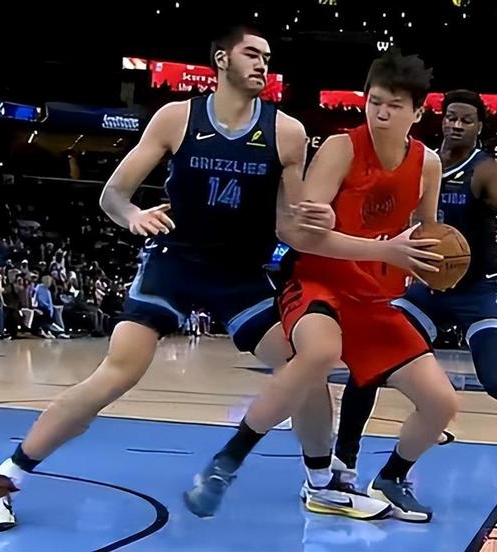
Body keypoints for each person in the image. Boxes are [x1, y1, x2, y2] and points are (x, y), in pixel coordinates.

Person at [0, 24, 349, 531]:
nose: (263, 64)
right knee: (118, 372)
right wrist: (133, 216)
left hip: (239, 273)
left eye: (267, 57)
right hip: (174, 262)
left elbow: (288, 226)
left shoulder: (288, 132)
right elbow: (113, 195)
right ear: (221, 59)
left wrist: (322, 221)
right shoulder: (177, 117)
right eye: (251, 54)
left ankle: (321, 483)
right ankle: (4, 478)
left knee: (306, 366)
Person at [185, 49, 458, 523]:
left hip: (374, 298)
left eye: (394, 105)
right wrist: (383, 250)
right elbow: (300, 233)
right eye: (374, 101)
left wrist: (434, 261)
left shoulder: (427, 164)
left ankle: (391, 479)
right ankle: (227, 461)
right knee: (318, 352)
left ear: (418, 112)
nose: (381, 113)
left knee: (441, 403)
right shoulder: (341, 148)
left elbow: (425, 233)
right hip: (318, 282)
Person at [331, 90, 497, 516]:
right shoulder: (423, 163)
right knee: (367, 364)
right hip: (428, 290)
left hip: (477, 292)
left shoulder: (485, 170)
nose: (456, 125)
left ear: (479, 126)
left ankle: (396, 465)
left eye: (466, 120)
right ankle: (342, 468)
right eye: (451, 117)